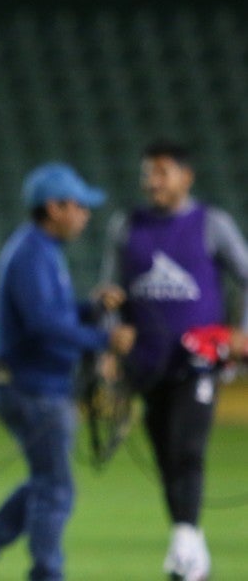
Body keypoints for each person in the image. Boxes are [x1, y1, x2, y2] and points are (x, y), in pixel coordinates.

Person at [0, 163, 135, 581]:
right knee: (56, 489)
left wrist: (92, 310)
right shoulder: (34, 253)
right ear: (54, 207)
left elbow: (55, 315)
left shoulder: (40, 249)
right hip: (35, 389)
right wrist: (105, 341)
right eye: (80, 205)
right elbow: (45, 325)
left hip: (36, 386)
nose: (86, 214)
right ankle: (45, 573)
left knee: (46, 481)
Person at [99, 140, 248, 581]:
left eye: (162, 172)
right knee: (165, 452)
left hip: (198, 360)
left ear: (186, 176)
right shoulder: (127, 225)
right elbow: (109, 290)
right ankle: (192, 549)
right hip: (146, 362)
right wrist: (110, 341)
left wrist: (243, 334)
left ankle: (183, 546)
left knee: (187, 448)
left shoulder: (211, 224)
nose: (153, 181)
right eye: (148, 172)